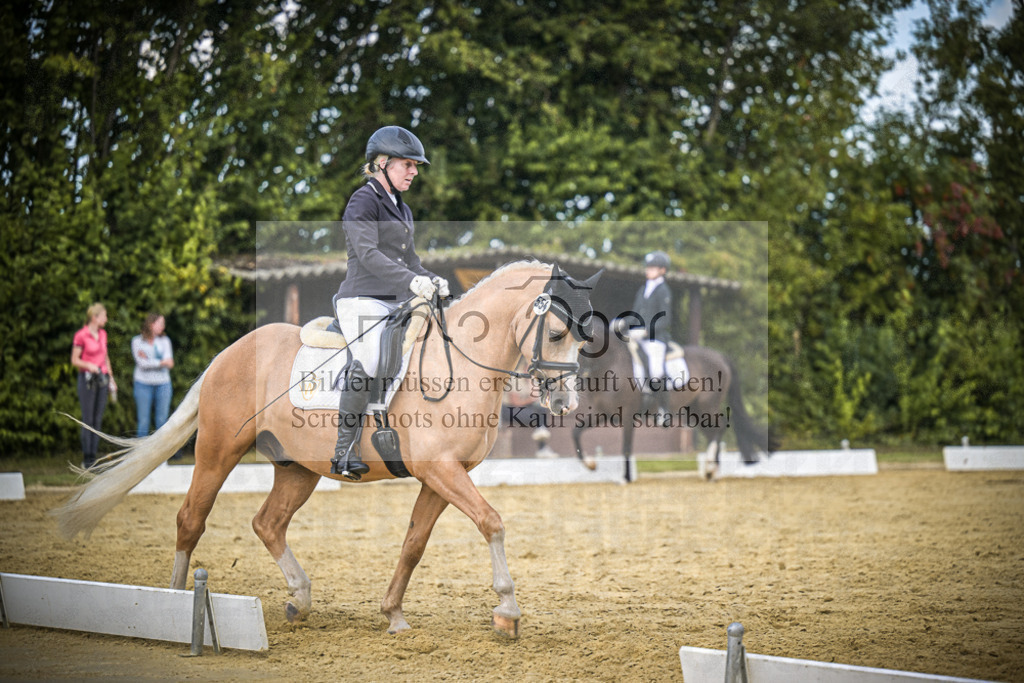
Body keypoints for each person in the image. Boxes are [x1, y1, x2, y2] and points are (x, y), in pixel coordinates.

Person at [330, 125, 450, 480]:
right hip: (360, 299)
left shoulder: (403, 208)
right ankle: (344, 450)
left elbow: (410, 261)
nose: (414, 171)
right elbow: (367, 253)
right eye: (407, 164)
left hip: (394, 302)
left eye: (416, 166)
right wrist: (412, 281)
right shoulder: (363, 201)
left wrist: (430, 278)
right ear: (382, 163)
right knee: (367, 358)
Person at [71, 303, 117, 469]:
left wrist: (111, 379)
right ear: (94, 317)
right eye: (103, 315)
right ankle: (87, 457)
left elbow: (106, 358)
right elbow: (75, 360)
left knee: (97, 419)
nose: (106, 319)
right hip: (87, 378)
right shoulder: (81, 335)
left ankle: (94, 458)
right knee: (88, 419)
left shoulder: (103, 334)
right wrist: (89, 365)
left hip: (102, 378)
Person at [629, 251, 673, 417]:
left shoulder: (664, 290)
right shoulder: (643, 289)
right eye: (648, 267)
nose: (648, 270)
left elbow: (665, 319)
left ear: (662, 270)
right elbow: (635, 313)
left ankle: (663, 409)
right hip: (636, 336)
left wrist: (646, 331)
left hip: (656, 339)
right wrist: (620, 323)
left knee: (655, 370)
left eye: (653, 268)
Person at [131, 313, 175, 437]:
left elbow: (170, 363)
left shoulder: (165, 341)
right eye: (160, 323)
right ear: (151, 324)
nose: (163, 326)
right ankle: (142, 454)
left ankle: (162, 455)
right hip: (142, 384)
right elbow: (142, 364)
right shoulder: (137, 341)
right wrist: (161, 362)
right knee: (143, 421)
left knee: (162, 421)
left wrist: (150, 360)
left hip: (163, 384)